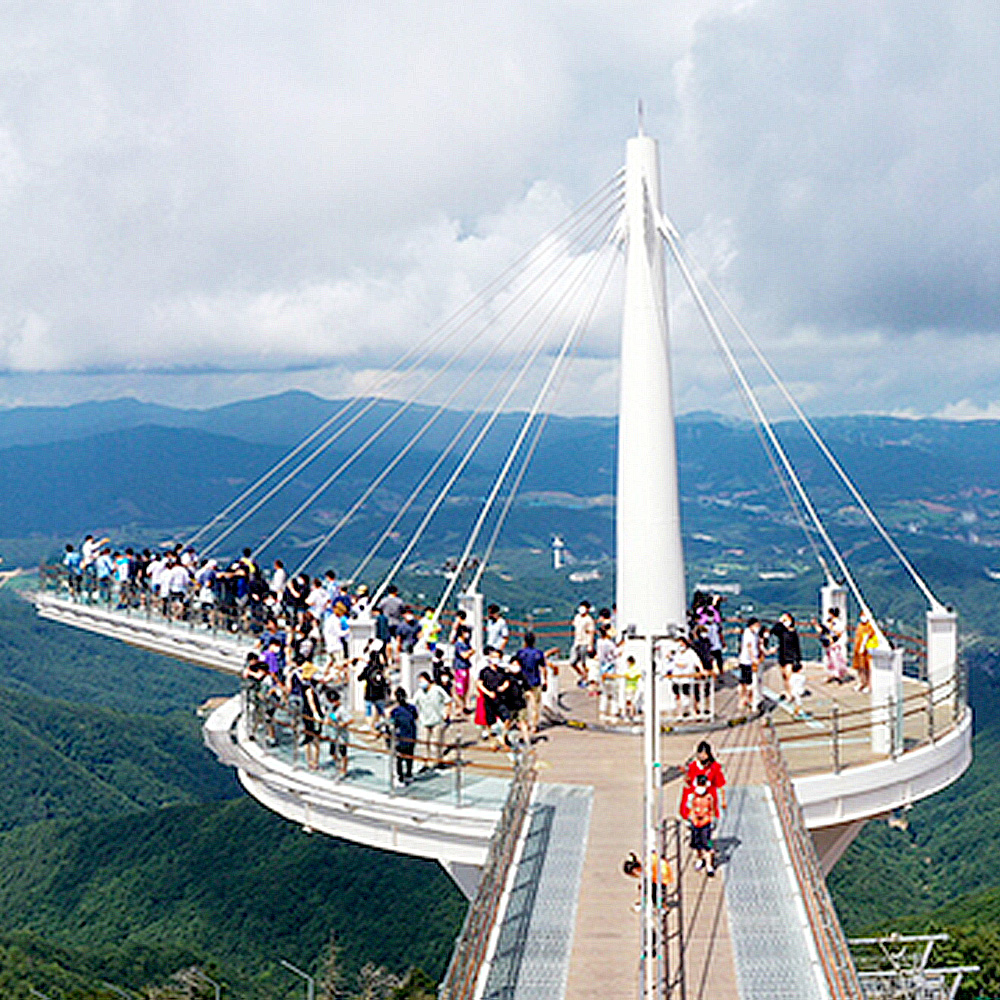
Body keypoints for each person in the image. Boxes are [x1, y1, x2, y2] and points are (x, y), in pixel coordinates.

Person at [679, 773, 719, 875]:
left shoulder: (709, 797)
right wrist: (688, 821)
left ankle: (709, 866)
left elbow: (713, 810)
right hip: (695, 824)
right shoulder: (692, 796)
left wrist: (713, 821)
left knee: (708, 846)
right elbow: (689, 809)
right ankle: (700, 859)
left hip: (706, 824)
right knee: (696, 845)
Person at [414, 671, 449, 769]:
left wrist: (446, 713)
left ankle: (438, 761)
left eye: (423, 681)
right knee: (424, 743)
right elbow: (414, 703)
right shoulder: (419, 693)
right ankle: (425, 763)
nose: (421, 684)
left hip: (437, 720)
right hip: (424, 721)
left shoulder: (437, 690)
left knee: (437, 743)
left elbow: (447, 701)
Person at [514, 632, 546, 735]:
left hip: (523, 681)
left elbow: (516, 666)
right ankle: (534, 726)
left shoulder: (520, 653)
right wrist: (545, 680)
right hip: (535, 680)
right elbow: (543, 668)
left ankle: (524, 723)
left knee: (523, 705)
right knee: (535, 705)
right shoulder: (538, 653)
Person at [769, 612, 803, 706]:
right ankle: (788, 691)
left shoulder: (793, 632)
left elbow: (797, 646)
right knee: (784, 676)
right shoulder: (781, 631)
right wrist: (779, 622)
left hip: (791, 657)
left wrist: (798, 659)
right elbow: (773, 631)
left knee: (788, 676)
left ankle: (790, 694)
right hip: (782, 655)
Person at [685, 740, 727, 812]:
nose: (702, 756)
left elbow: (720, 785)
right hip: (695, 800)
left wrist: (723, 800)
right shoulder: (693, 766)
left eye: (704, 754)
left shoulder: (714, 767)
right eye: (700, 754)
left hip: (710, 801)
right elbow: (689, 783)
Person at [389, 687, 419, 785]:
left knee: (400, 758)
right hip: (411, 735)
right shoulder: (411, 708)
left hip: (401, 736)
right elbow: (415, 717)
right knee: (409, 756)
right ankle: (409, 774)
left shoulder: (396, 711)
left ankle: (401, 776)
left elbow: (392, 724)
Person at [359, 644, 390, 728]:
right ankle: (382, 725)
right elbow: (386, 681)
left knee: (368, 712)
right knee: (381, 711)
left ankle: (370, 727)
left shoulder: (368, 669)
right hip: (380, 694)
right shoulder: (382, 669)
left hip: (369, 694)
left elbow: (359, 678)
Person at [301, 662, 324, 771]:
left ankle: (311, 761)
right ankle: (313, 762)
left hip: (308, 713)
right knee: (313, 739)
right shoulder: (309, 687)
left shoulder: (308, 684)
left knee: (310, 738)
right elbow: (311, 701)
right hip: (311, 715)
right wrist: (316, 714)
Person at [737, 618, 762, 713]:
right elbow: (749, 646)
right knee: (746, 682)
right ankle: (743, 699)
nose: (758, 628)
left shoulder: (755, 634)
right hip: (746, 660)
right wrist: (753, 658)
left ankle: (750, 699)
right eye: (756, 625)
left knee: (751, 682)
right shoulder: (747, 633)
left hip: (752, 660)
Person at [819, 606, 850, 684]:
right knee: (829, 659)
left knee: (837, 660)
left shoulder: (838, 623)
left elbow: (838, 633)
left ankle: (839, 676)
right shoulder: (828, 622)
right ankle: (831, 674)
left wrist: (832, 637)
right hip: (829, 643)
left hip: (836, 643)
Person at [570, 602, 595, 685]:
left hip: (585, 642)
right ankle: (582, 675)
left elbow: (591, 632)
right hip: (577, 642)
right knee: (572, 662)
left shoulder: (589, 619)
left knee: (584, 662)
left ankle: (587, 678)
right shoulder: (577, 617)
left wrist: (590, 645)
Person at [852, 614, 878, 693]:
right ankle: (861, 682)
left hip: (867, 650)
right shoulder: (860, 625)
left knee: (867, 668)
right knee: (860, 667)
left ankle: (869, 685)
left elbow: (868, 636)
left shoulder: (870, 626)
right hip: (858, 649)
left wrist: (863, 646)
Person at [623, 655, 641, 721]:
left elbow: (636, 675)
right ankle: (630, 714)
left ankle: (631, 714)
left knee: (630, 701)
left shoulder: (633, 668)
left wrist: (629, 676)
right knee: (629, 701)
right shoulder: (630, 668)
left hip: (632, 687)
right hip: (630, 686)